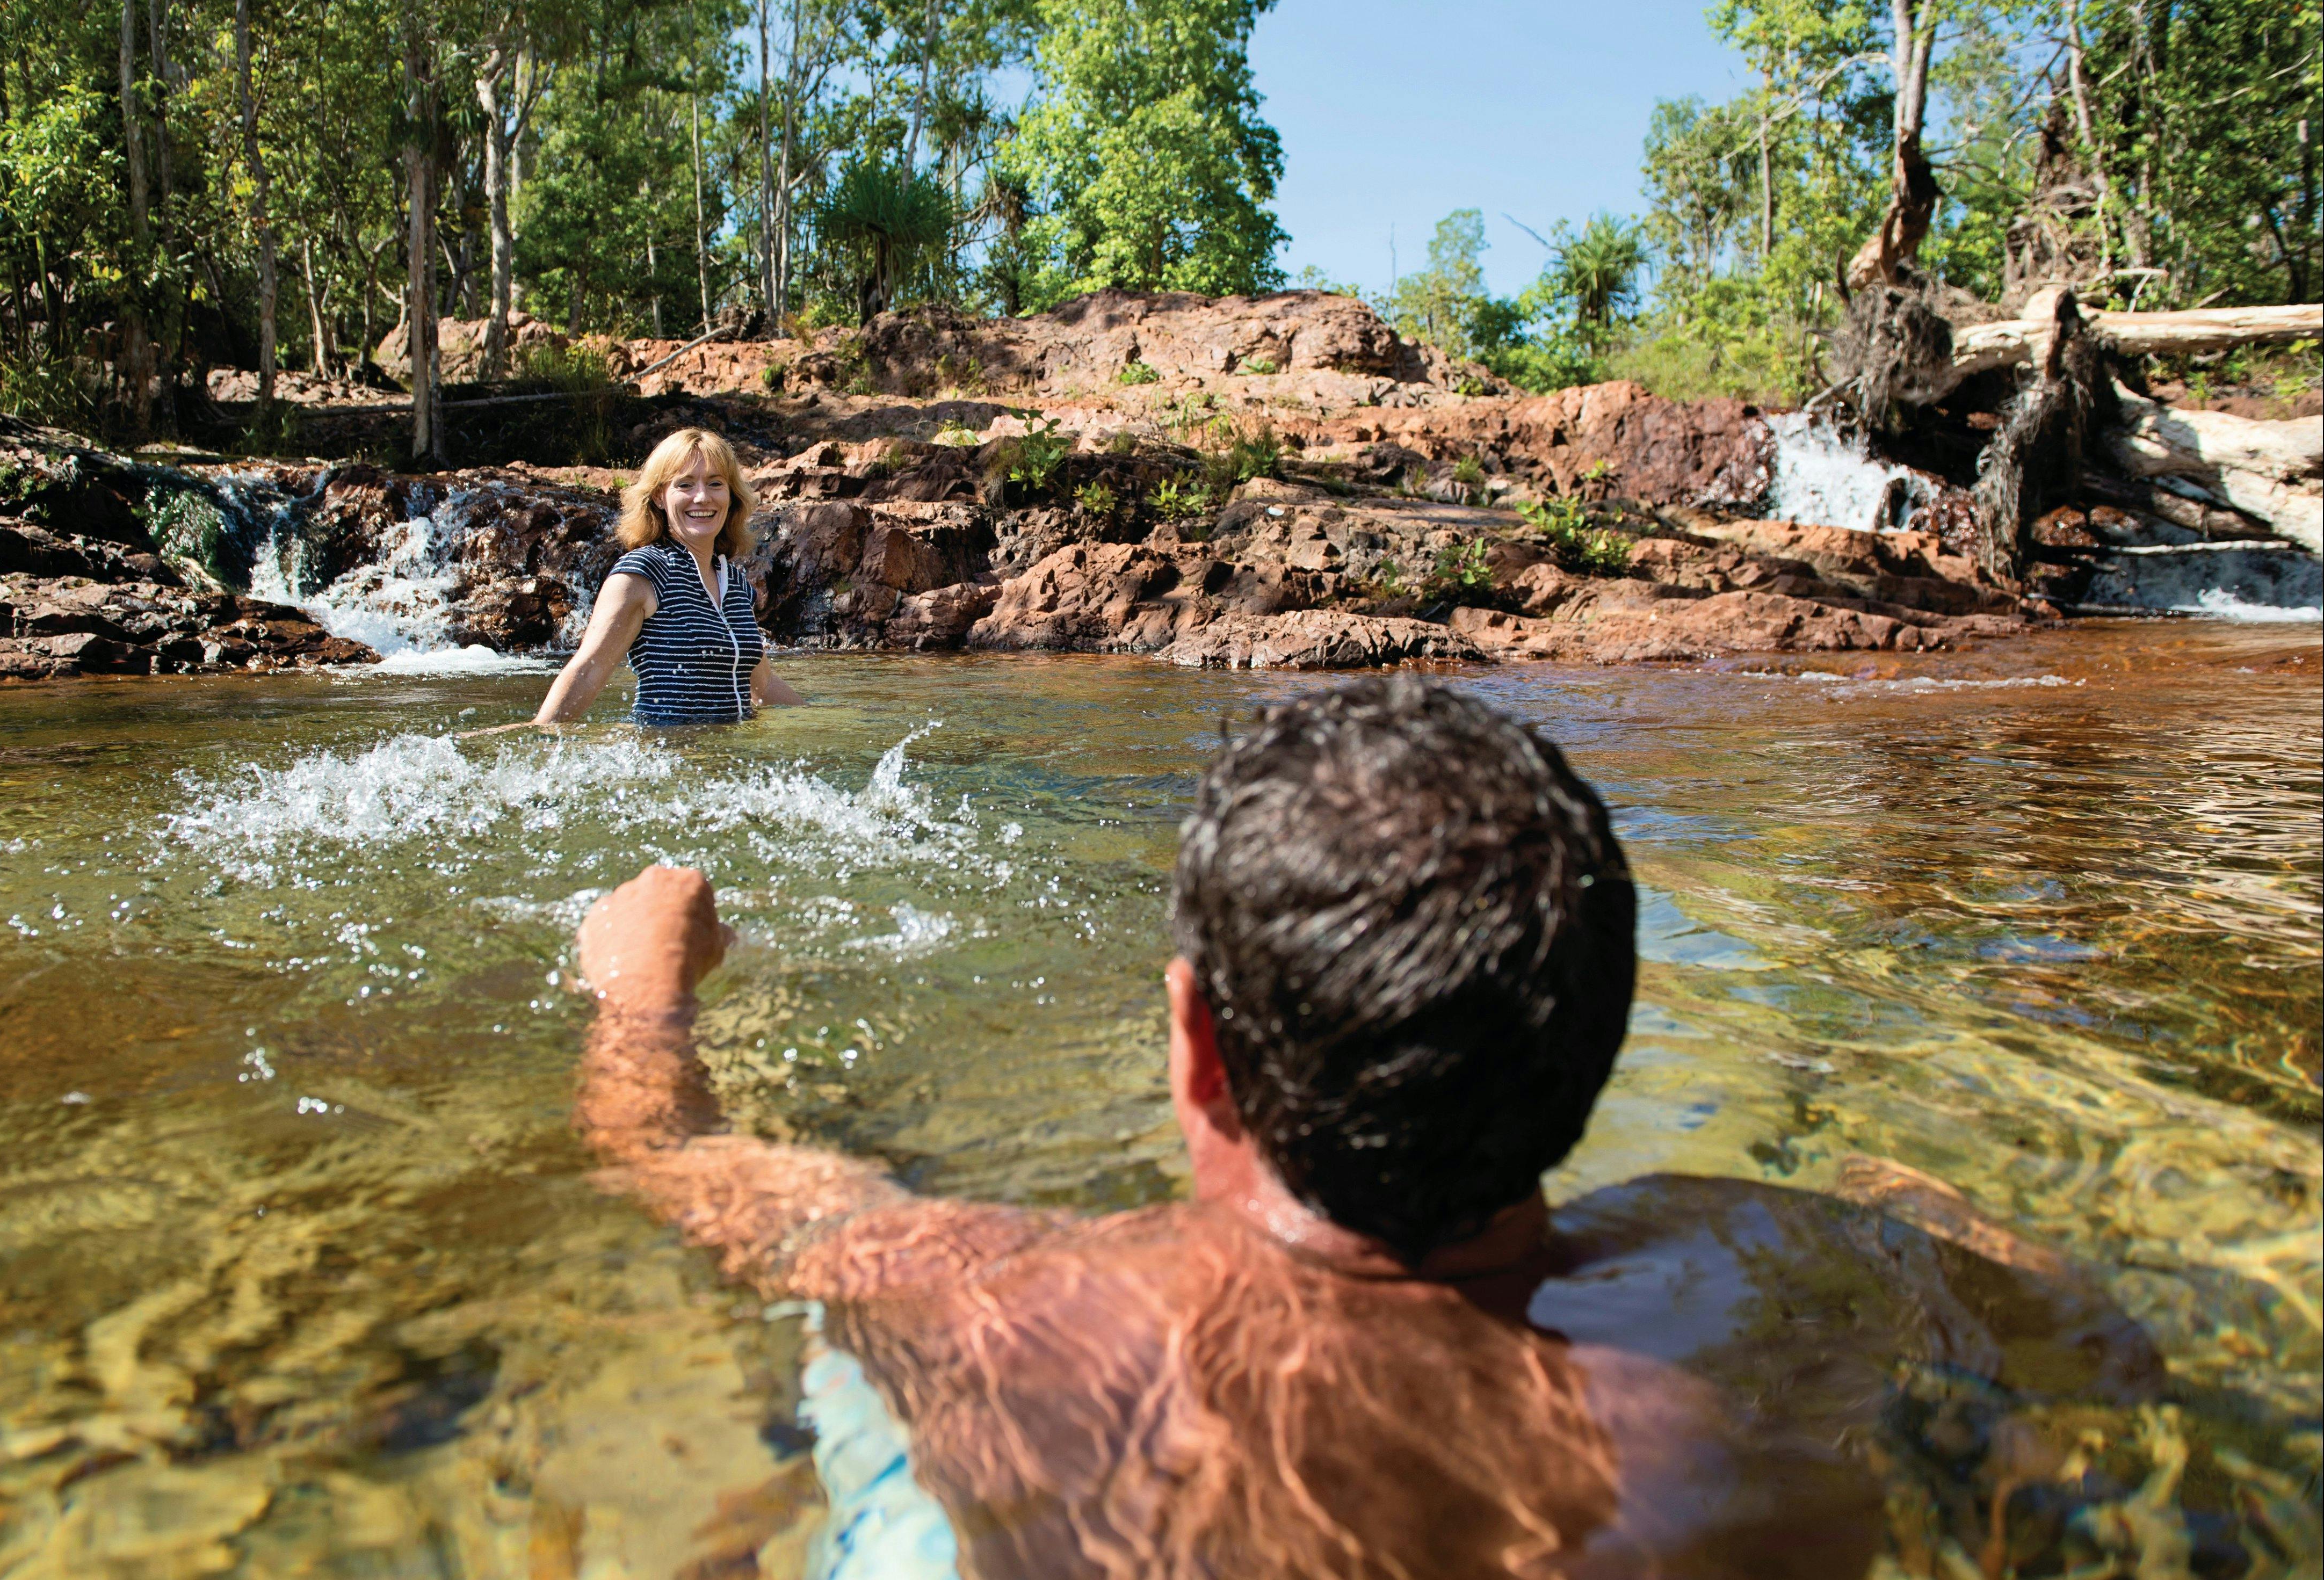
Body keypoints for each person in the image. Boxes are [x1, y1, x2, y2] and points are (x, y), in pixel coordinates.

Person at [574, 677, 2162, 1578]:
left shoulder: (997, 1295)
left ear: (1200, 1047)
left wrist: (639, 985)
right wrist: (1912, 1203)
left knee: (850, 1404)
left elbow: (668, 1149)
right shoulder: (1771, 1269)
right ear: (1595, 1033)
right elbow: (2107, 1349)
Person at [518, 426, 804, 729]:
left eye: (716, 483)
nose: (702, 497)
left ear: (732, 495)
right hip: (664, 759)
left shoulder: (734, 582)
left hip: (728, 761)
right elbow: (589, 670)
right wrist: (539, 733)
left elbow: (762, 685)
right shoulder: (641, 573)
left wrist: (834, 720)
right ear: (658, 496)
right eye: (685, 484)